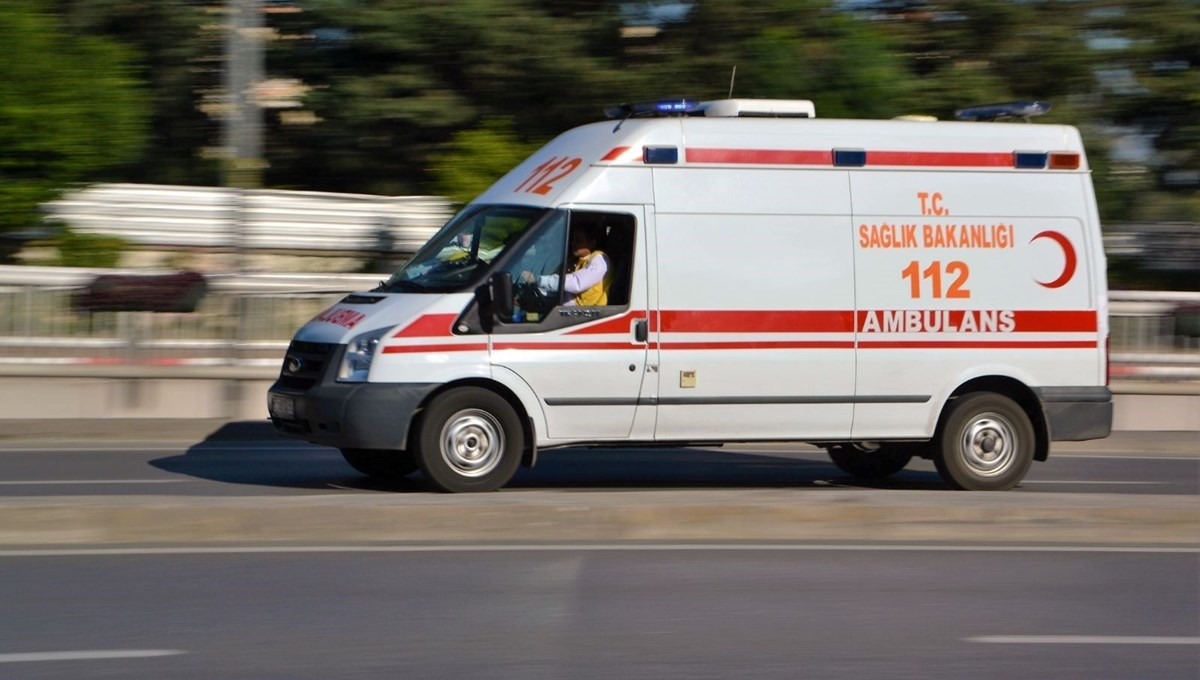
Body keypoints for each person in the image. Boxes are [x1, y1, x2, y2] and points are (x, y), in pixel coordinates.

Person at [520, 223, 612, 306]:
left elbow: (575, 283)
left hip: (587, 318)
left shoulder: (599, 260)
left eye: (579, 240)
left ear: (592, 243)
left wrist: (539, 280)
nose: (573, 243)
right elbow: (563, 292)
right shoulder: (579, 262)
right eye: (573, 240)